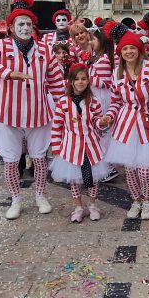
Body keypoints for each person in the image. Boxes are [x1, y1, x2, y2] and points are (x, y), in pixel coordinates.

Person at [0, 0, 65, 221]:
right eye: (19, 23)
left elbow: (55, 83)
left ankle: (40, 195)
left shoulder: (44, 51)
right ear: (11, 27)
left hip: (39, 115)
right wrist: (8, 73)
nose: (24, 27)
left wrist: (66, 107)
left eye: (28, 23)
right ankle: (15, 199)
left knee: (40, 158)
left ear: (33, 26)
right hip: (7, 115)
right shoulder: (0, 47)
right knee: (12, 161)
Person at [101, 25, 149, 220]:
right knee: (130, 169)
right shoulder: (117, 75)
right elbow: (116, 102)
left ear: (139, 50)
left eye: (132, 48)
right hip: (126, 125)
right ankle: (136, 200)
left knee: (145, 169)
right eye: (125, 49)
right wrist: (109, 117)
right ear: (120, 52)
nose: (129, 52)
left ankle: (147, 200)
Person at [50, 64, 111, 222]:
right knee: (75, 179)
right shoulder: (63, 102)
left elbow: (97, 120)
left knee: (94, 177)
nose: (80, 82)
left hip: (91, 145)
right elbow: (57, 126)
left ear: (88, 81)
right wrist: (56, 146)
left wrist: (102, 122)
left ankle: (92, 205)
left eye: (83, 79)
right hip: (71, 147)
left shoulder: (93, 101)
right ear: (70, 82)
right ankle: (78, 207)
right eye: (76, 79)